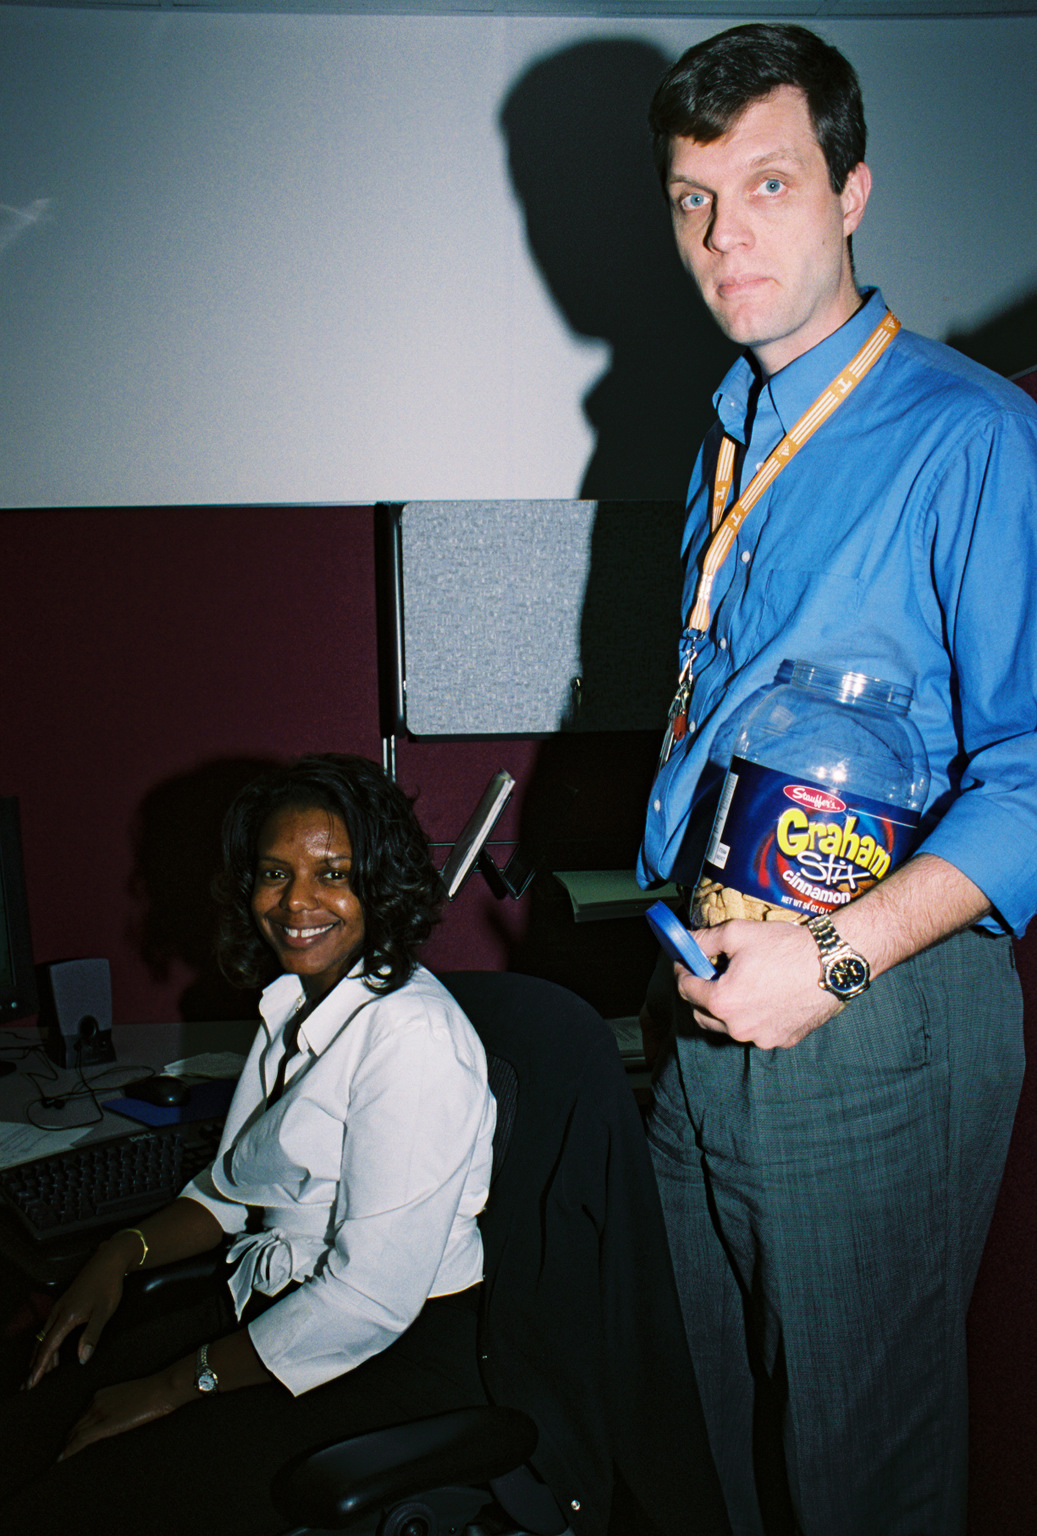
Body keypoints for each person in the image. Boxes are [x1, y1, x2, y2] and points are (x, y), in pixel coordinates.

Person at [636, 23, 1037, 1536]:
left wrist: (832, 960)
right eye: (692, 199)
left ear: (851, 192)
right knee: (722, 1446)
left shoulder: (970, 436)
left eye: (768, 184)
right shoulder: (725, 439)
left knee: (861, 1478)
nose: (724, 234)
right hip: (712, 996)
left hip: (871, 1011)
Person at [2, 753, 495, 1535]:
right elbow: (232, 1192)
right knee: (26, 1425)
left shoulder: (412, 1038)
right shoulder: (296, 1003)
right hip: (284, 1308)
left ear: (380, 883)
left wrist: (174, 1385)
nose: (296, 901)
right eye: (273, 873)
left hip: (387, 1355)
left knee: (69, 1497)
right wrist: (118, 1253)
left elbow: (366, 1300)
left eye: (332, 873)